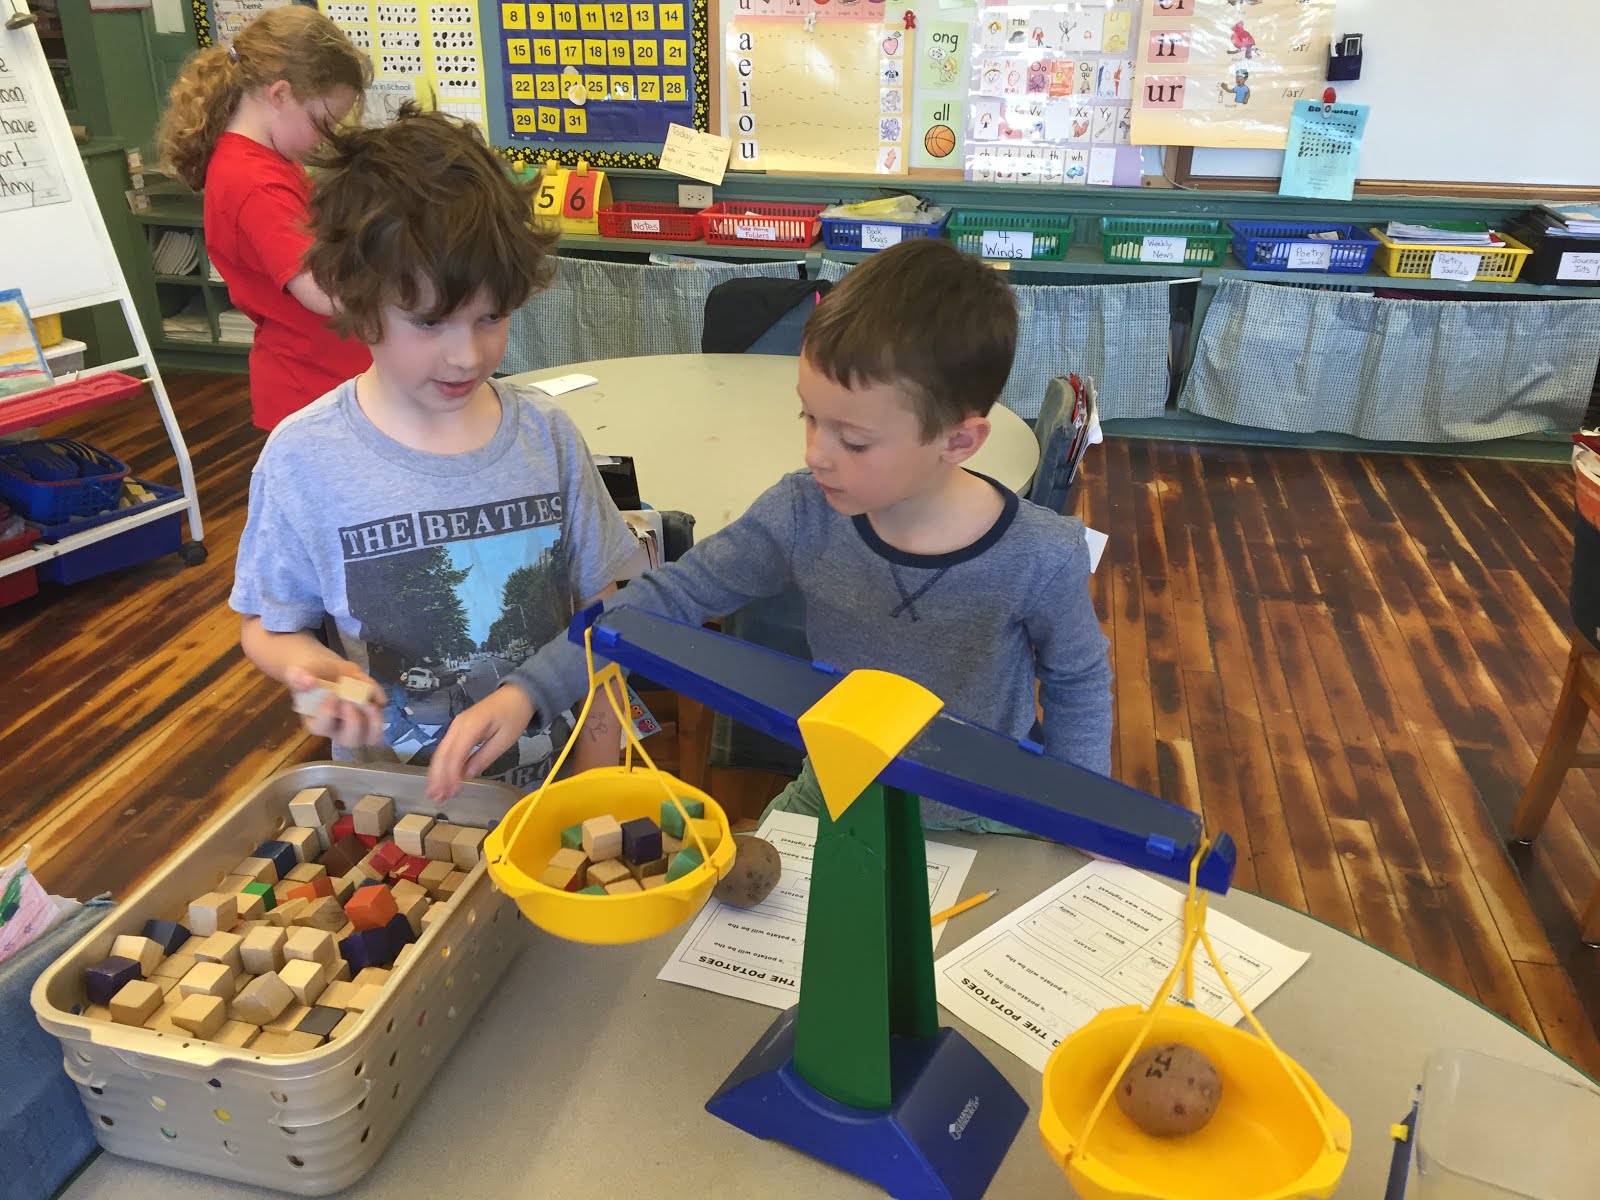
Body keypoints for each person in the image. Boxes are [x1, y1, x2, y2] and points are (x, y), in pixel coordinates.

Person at [427, 239, 1112, 830]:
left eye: (855, 439)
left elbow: (1079, 679)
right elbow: (665, 601)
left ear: (959, 440)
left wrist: (1086, 808)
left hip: (993, 811)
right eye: (810, 418)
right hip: (837, 790)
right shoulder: (801, 512)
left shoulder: (1041, 554)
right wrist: (528, 691)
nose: (817, 453)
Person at [230, 105, 637, 792]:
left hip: (555, 790)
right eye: (428, 322)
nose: (466, 354)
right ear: (356, 300)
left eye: (491, 317)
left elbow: (605, 618)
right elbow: (267, 627)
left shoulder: (547, 438)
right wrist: (312, 673)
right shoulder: (303, 459)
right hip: (407, 810)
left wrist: (603, 786)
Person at [158, 7, 374, 431]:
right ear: (279, 94)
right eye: (325, 122)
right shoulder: (255, 182)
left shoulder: (267, 161)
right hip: (313, 391)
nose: (327, 137)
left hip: (330, 381)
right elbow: (323, 293)